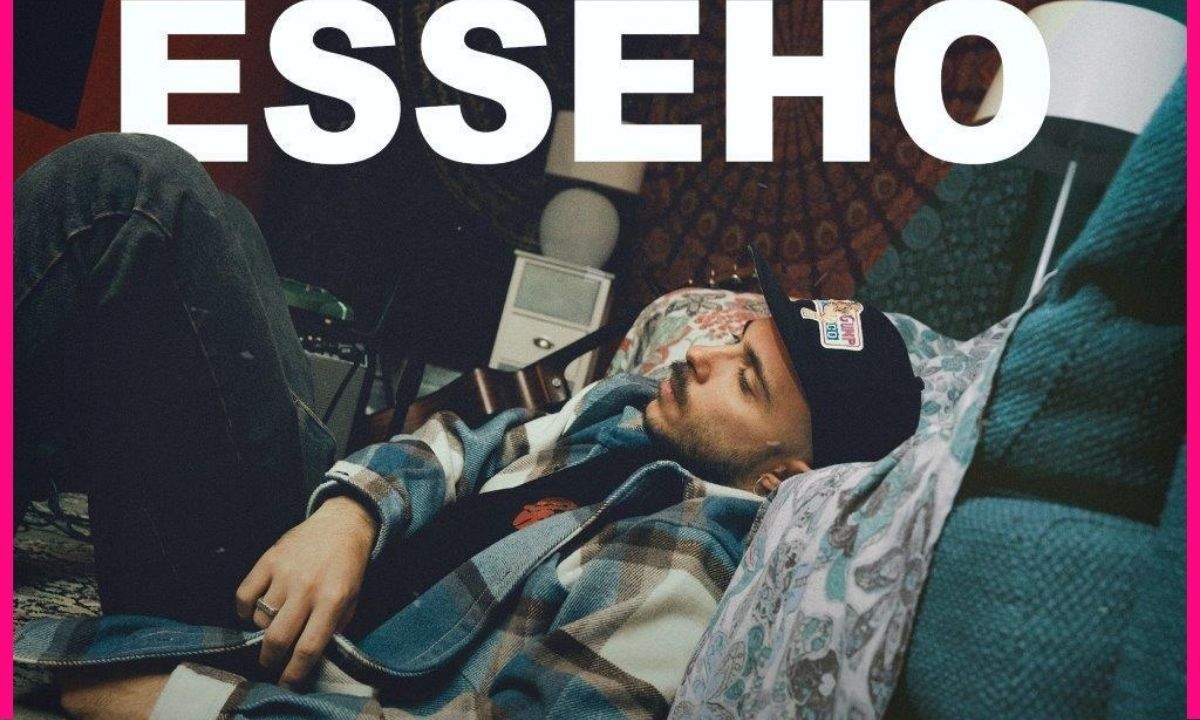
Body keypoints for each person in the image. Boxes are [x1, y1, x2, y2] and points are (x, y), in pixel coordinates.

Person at [13, 134, 923, 720]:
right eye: (734, 340)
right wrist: (349, 517)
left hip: (266, 646)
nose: (699, 356)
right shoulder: (630, 418)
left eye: (746, 380)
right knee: (206, 217)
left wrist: (185, 704)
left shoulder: (681, 561)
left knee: (136, 197)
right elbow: (460, 445)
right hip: (306, 547)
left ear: (781, 478)